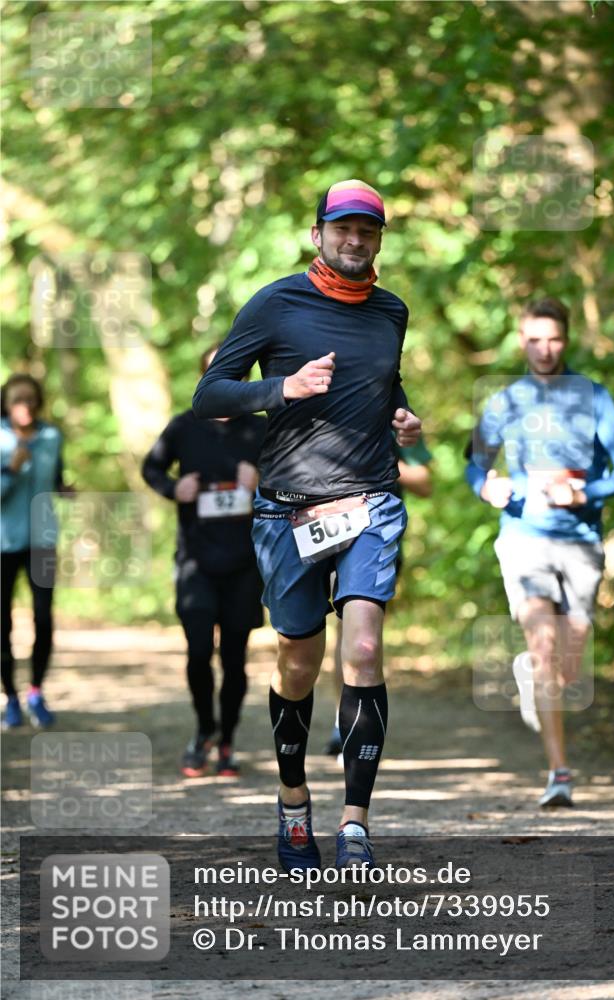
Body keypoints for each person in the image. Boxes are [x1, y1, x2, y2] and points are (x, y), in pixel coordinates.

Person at [193, 179, 421, 869]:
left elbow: (385, 384)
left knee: (361, 651)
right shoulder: (275, 303)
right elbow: (208, 395)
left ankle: (355, 823)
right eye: (343, 228)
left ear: (378, 239)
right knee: (297, 661)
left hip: (369, 500)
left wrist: (402, 418)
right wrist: (280, 389)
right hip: (288, 509)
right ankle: (294, 805)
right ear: (317, 232)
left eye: (368, 231)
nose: (355, 240)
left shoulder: (391, 311)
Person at [466, 298, 614, 807]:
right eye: (535, 339)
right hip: (524, 538)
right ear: (521, 339)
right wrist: (486, 487)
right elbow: (474, 464)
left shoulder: (594, 398)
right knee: (544, 644)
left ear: (567, 340)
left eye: (554, 339)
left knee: (566, 665)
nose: (544, 349)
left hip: (581, 541)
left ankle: (533, 675)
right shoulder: (505, 400)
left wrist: (585, 493)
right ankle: (559, 774)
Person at [142, 346, 266, 778]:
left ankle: (227, 740)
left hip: (243, 561)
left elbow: (294, 483)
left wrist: (261, 483)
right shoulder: (183, 427)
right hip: (195, 559)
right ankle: (204, 730)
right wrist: (174, 488)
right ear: (205, 378)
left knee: (235, 659)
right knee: (198, 654)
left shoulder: (261, 430)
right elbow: (152, 469)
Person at [324, 435, 433, 757]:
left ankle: (358, 724)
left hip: (378, 537)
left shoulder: (395, 418)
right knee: (344, 632)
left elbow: (425, 483)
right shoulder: (316, 404)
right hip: (326, 531)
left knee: (363, 634)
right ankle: (341, 721)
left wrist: (376, 460)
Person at [1, 373, 71, 728]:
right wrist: (10, 472)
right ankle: (9, 698)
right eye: (17, 399)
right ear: (6, 403)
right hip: (2, 543)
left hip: (42, 539)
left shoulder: (51, 436)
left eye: (30, 399)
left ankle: (35, 692)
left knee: (43, 618)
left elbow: (55, 478)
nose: (24, 406)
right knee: (2, 623)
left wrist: (64, 489)